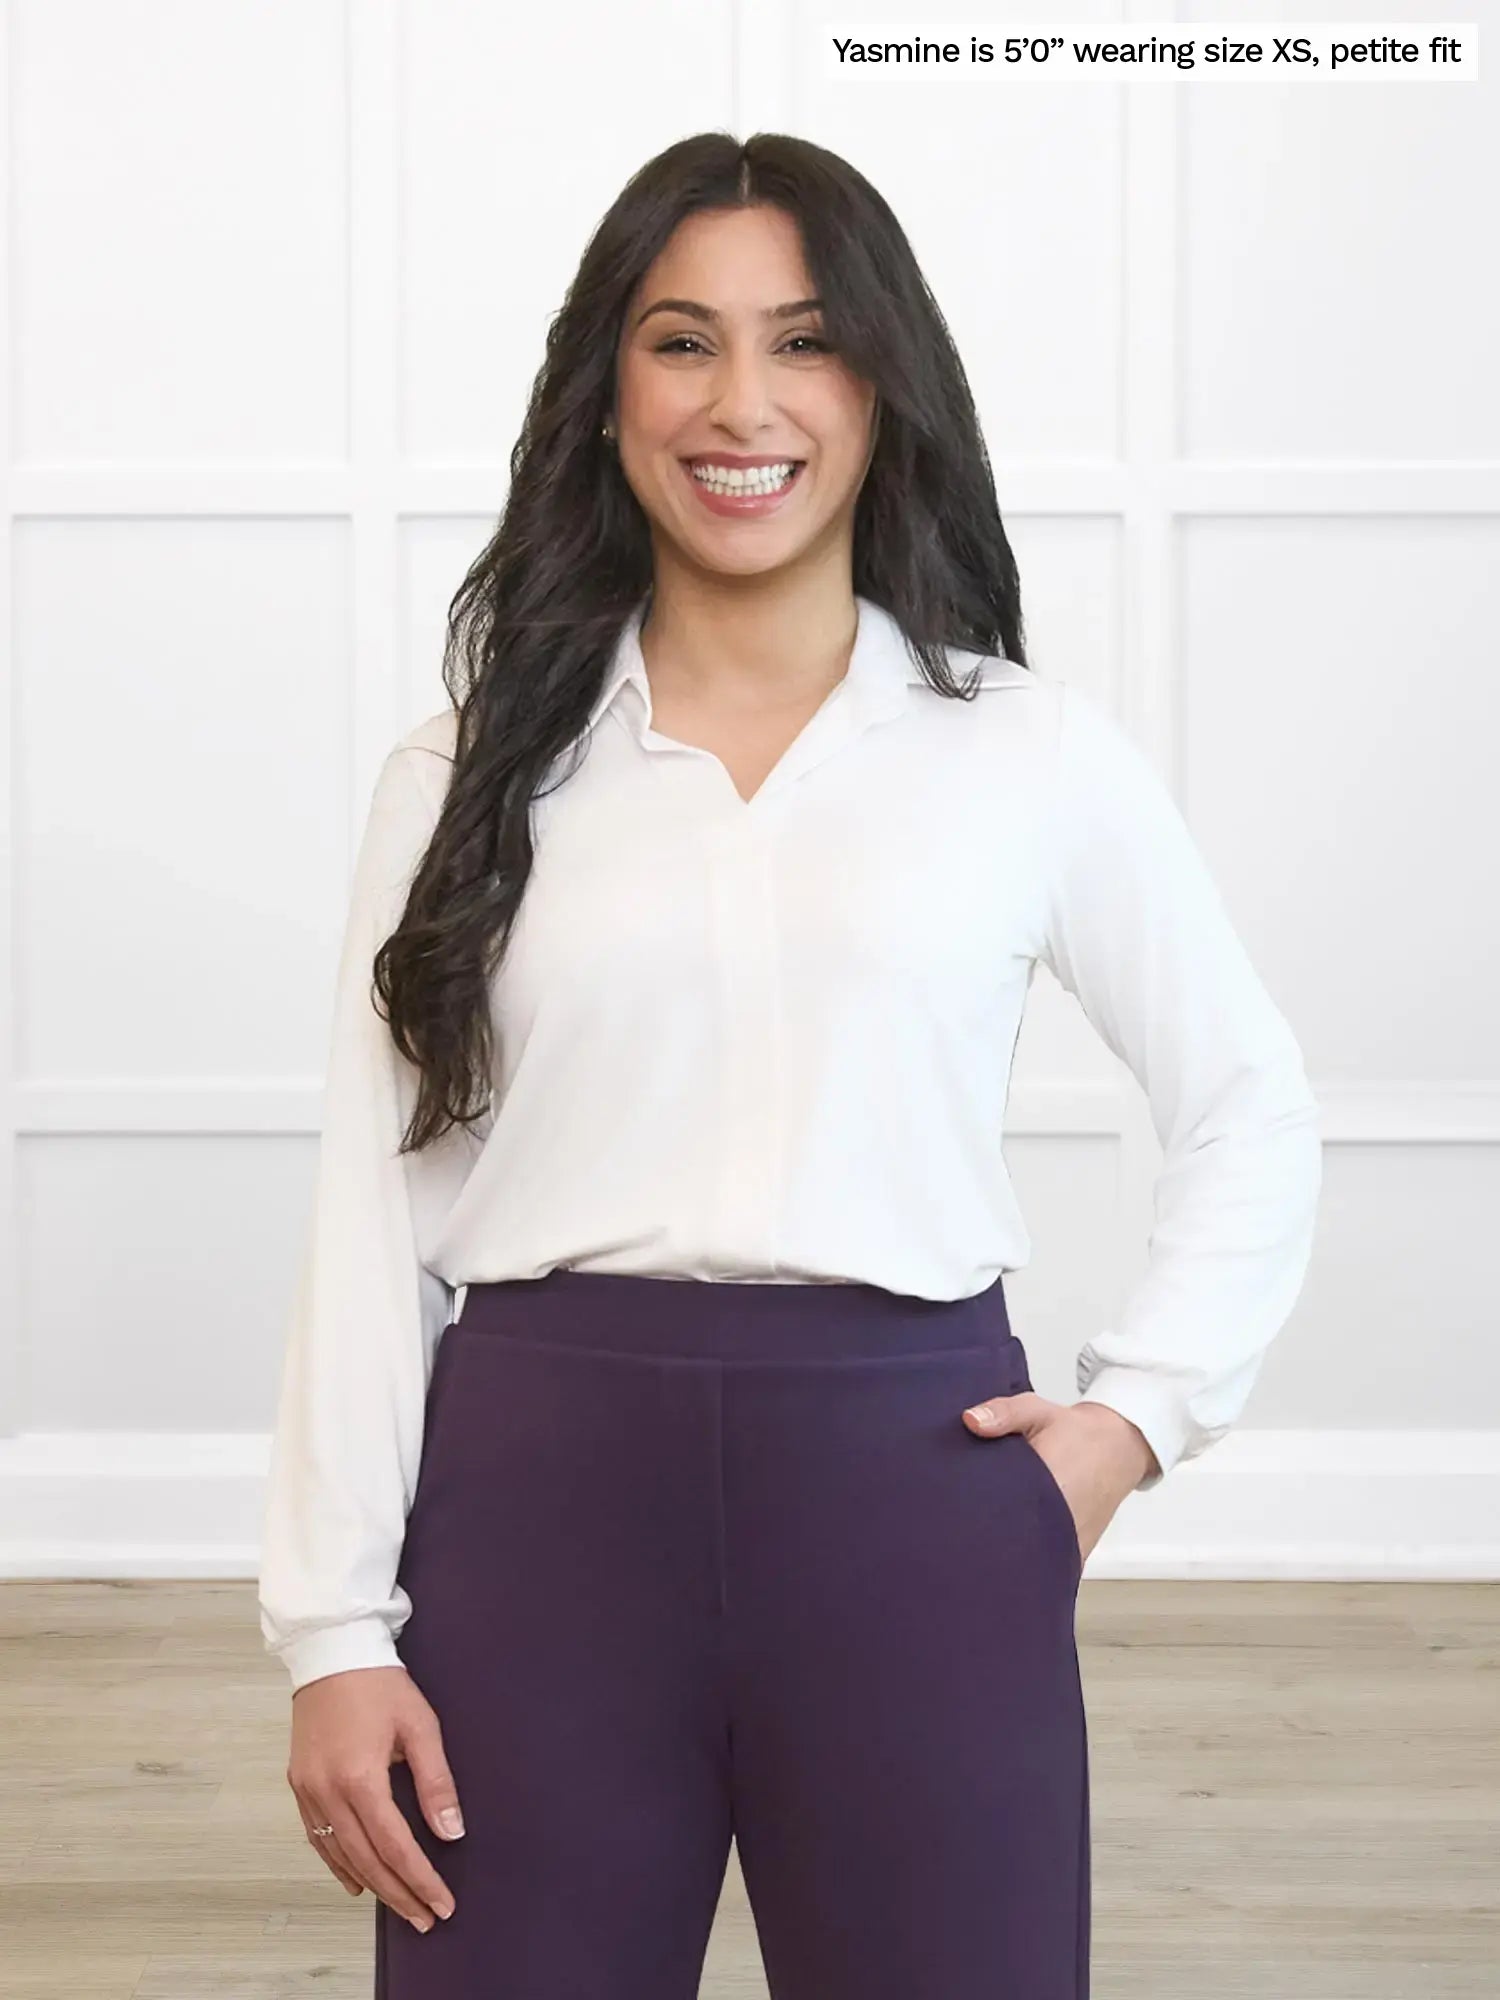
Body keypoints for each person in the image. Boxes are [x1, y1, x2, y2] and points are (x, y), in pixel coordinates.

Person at [257, 131, 1321, 2000]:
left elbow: (1251, 1104)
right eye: (682, 342)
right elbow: (373, 1205)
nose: (741, 403)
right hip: (538, 1512)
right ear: (605, 396)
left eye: (805, 340)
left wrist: (1129, 1424)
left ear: (883, 387)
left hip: (913, 1500)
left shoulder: (1025, 757)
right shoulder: (461, 777)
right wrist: (333, 1632)